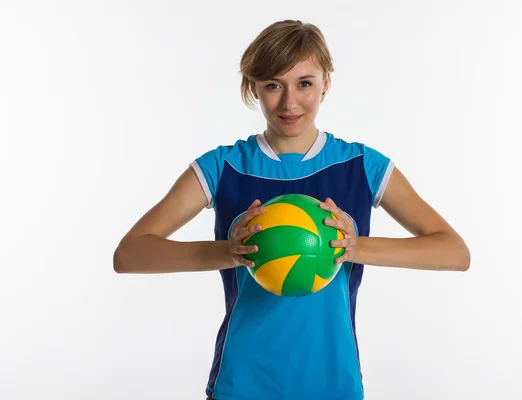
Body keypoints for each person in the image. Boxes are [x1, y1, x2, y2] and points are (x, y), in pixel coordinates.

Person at [113, 19, 470, 400]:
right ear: (253, 88)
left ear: (326, 83)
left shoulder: (362, 165)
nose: (289, 102)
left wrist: (355, 246)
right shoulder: (224, 167)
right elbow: (130, 253)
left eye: (304, 83)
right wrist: (228, 252)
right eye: (272, 85)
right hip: (242, 383)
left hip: (334, 383)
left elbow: (454, 251)